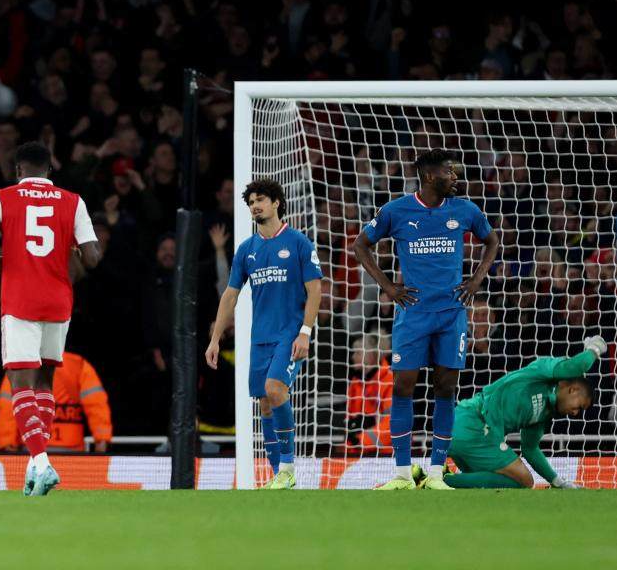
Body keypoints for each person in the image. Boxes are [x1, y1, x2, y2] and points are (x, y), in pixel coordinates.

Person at [352, 148, 500, 490]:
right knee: (403, 386)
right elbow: (361, 245)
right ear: (431, 175)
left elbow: (492, 241)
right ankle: (403, 474)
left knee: (445, 387)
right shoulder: (396, 210)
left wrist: (476, 280)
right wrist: (389, 287)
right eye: (451, 172)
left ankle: (436, 473)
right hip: (413, 314)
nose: (456, 177)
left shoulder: (464, 210)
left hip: (451, 314)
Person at [0, 141, 101, 496]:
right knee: (44, 382)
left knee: (20, 383)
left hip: (20, 300)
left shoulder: (1, 197)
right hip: (59, 301)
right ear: (50, 172)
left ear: (17, 171)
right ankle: (33, 468)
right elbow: (92, 258)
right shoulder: (74, 201)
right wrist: (70, 247)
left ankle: (41, 462)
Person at [205, 179, 323, 489]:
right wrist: (215, 338)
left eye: (260, 199)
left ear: (276, 203)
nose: (255, 205)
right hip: (260, 339)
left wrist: (305, 333)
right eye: (251, 201)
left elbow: (315, 291)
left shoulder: (298, 242)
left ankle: (287, 467)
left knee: (274, 388)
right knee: (265, 403)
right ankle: (278, 477)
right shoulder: (247, 250)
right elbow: (230, 295)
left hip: (290, 335)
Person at [445, 336, 606, 489]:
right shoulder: (544, 371)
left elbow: (530, 449)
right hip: (473, 422)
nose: (576, 413)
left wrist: (558, 482)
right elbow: (577, 366)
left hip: (469, 431)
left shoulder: (545, 413)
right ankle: (441, 480)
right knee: (524, 479)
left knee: (514, 482)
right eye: (579, 406)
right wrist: (594, 349)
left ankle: (444, 478)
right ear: (573, 390)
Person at [0, 350, 113, 452]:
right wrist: (101, 437)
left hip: (31, 447)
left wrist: (7, 441)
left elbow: (8, 405)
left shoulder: (21, 366)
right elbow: (96, 403)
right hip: (72, 449)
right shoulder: (78, 364)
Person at [342, 333, 393, 456]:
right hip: (356, 454)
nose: (353, 357)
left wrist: (360, 440)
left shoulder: (389, 381)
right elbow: (350, 422)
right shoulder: (355, 383)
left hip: (385, 457)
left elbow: (392, 424)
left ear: (370, 355)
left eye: (357, 353)